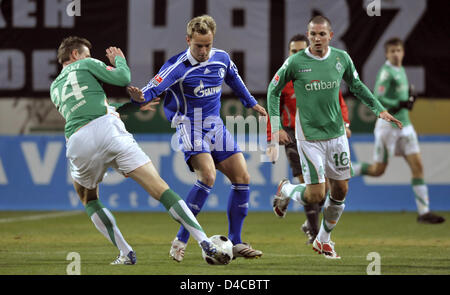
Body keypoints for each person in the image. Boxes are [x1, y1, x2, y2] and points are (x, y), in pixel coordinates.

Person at [50, 36, 230, 265]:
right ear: (75, 55)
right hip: (110, 130)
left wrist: (130, 107)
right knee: (160, 189)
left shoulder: (55, 87)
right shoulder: (85, 63)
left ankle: (126, 252)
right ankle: (205, 241)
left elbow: (87, 110)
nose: (88, 58)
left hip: (78, 138)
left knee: (88, 198)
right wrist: (120, 61)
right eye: (85, 54)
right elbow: (123, 78)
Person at [130, 15, 266, 262]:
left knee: (243, 177)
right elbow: (152, 88)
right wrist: (139, 98)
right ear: (188, 40)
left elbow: (233, 78)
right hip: (189, 125)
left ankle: (235, 241)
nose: (204, 51)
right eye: (198, 46)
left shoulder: (221, 58)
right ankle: (181, 239)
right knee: (208, 176)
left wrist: (251, 102)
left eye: (208, 45)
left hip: (215, 125)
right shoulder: (177, 67)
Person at [267, 16, 402, 259]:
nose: (317, 39)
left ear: (331, 35)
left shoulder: (342, 59)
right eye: (312, 34)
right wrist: (276, 126)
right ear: (308, 35)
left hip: (337, 135)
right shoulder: (295, 62)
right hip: (308, 137)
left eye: (321, 34)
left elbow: (358, 86)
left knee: (340, 190)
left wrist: (379, 109)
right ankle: (286, 189)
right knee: (316, 195)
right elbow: (273, 90)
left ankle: (323, 240)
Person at [266, 34, 352, 245]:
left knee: (327, 189)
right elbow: (272, 104)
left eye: (299, 50)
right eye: (292, 51)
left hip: (324, 133)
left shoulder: (320, 73)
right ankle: (314, 232)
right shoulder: (286, 77)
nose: (296, 54)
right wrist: (272, 134)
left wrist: (346, 124)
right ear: (289, 53)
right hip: (295, 135)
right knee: (308, 183)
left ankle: (298, 209)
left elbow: (338, 99)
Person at [352, 38, 445, 224]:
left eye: (398, 50)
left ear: (403, 52)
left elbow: (400, 98)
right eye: (392, 51)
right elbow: (378, 98)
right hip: (388, 128)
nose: (396, 53)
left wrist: (408, 100)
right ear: (386, 54)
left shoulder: (400, 70)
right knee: (378, 170)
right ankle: (343, 171)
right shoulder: (386, 73)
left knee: (418, 167)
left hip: (406, 126)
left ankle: (424, 212)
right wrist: (400, 104)